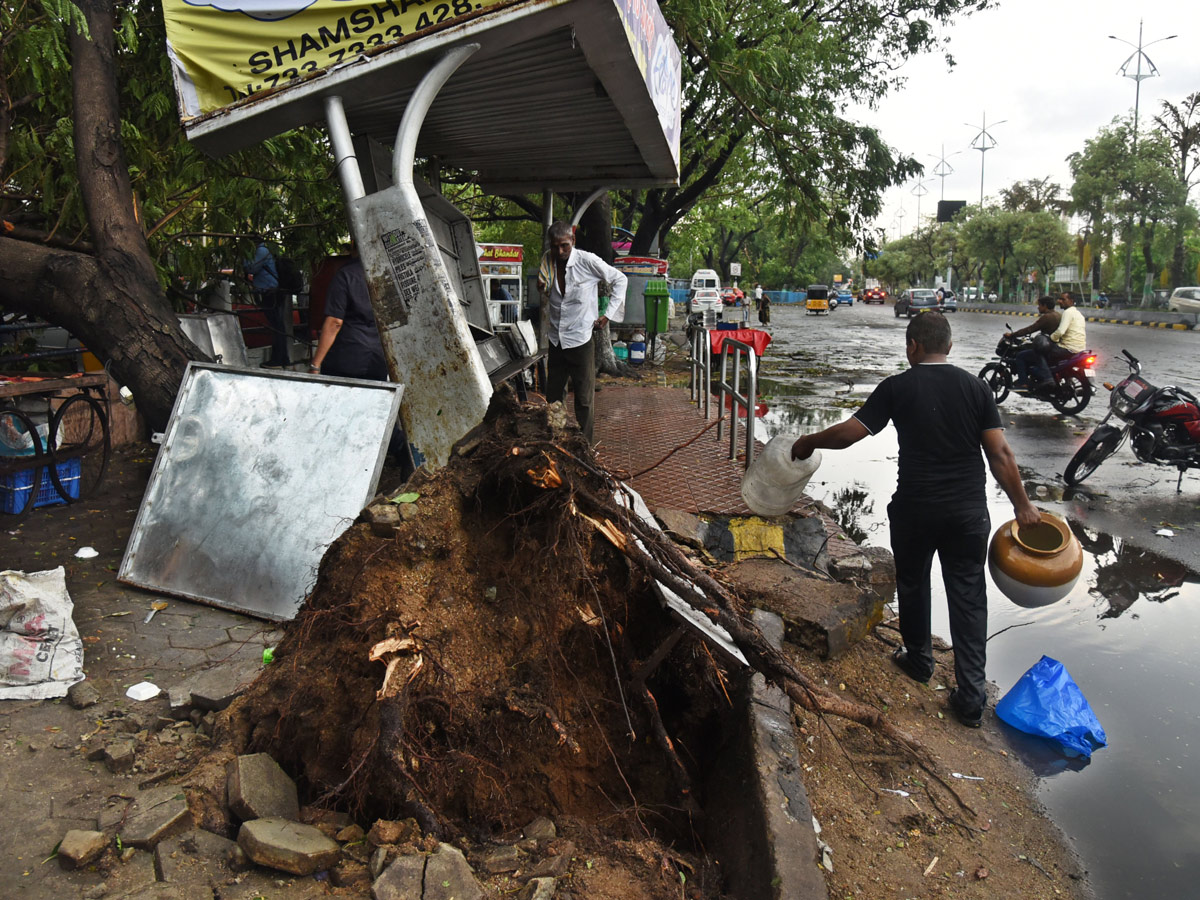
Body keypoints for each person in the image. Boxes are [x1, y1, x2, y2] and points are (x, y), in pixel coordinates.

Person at [789, 312, 1039, 727]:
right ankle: (972, 698)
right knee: (968, 593)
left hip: (916, 507)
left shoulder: (897, 387)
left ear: (912, 346)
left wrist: (807, 442)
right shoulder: (977, 387)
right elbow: (1000, 455)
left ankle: (920, 661)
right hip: (967, 513)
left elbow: (851, 433)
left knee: (912, 580)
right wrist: (1023, 506)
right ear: (950, 347)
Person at [539, 221, 627, 444]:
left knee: (584, 400)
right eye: (555, 246)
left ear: (573, 241)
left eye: (565, 246)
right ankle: (555, 443)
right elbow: (545, 287)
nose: (560, 252)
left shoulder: (588, 261)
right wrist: (542, 286)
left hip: (581, 340)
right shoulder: (547, 260)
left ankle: (586, 448)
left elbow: (620, 279)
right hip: (556, 341)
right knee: (553, 399)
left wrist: (608, 315)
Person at [308, 255, 387, 381]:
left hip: (347, 357)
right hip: (378, 358)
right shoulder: (385, 274)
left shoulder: (346, 274)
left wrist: (315, 365)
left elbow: (334, 322)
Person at [243, 234, 290, 367]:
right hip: (272, 292)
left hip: (270, 293)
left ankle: (277, 359)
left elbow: (251, 268)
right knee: (278, 326)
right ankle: (283, 358)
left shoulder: (261, 251)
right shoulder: (265, 251)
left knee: (277, 327)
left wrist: (245, 256)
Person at [1028, 292, 1086, 388]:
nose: (1059, 301)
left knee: (1038, 351)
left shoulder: (1068, 313)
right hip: (1080, 348)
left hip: (1067, 348)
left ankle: (1047, 378)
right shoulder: (1078, 314)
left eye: (1063, 299)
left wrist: (1050, 339)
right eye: (1059, 299)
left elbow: (1060, 331)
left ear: (1071, 301)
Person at [1008, 297, 1061, 389]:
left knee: (1020, 356)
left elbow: (1031, 329)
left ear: (1045, 306)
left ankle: (1023, 382)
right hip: (1055, 345)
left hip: (1047, 347)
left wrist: (1013, 335)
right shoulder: (1058, 315)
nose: (1038, 308)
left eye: (1039, 305)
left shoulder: (1046, 317)